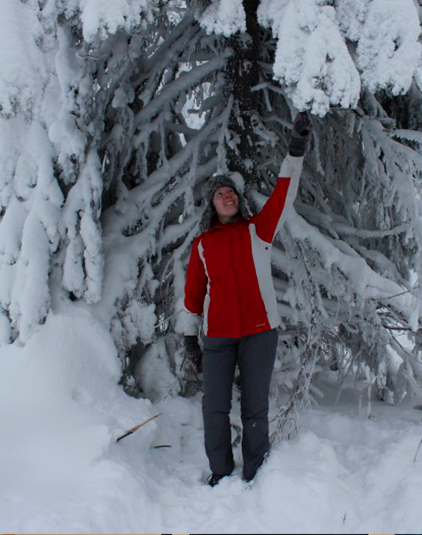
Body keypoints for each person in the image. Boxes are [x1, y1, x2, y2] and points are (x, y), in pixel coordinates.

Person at [181, 112, 312, 486]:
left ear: (238, 201)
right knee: (214, 407)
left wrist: (296, 150)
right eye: (221, 192)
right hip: (219, 338)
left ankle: (256, 471)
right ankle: (220, 471)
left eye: (232, 192)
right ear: (212, 204)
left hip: (259, 332)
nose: (228, 195)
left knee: (256, 407)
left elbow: (284, 193)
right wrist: (191, 339)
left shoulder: (259, 231)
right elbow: (193, 296)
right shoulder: (203, 245)